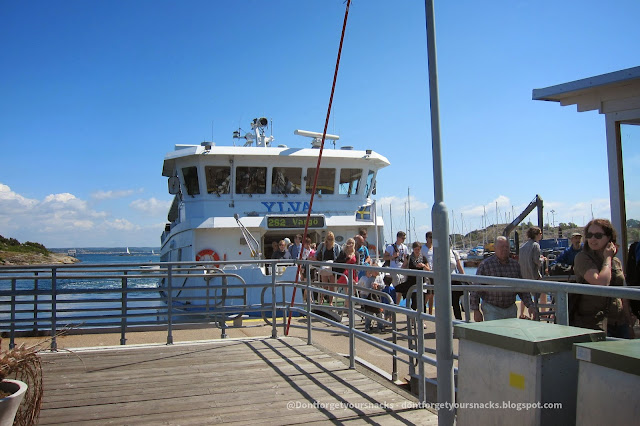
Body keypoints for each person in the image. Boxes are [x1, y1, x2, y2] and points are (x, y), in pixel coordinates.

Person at [571, 219, 631, 337]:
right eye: (589, 235)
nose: (593, 239)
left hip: (619, 322)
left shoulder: (616, 262)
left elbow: (623, 293)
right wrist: (608, 258)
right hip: (594, 323)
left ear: (609, 237)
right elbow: (601, 283)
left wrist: (628, 320)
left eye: (598, 235)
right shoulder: (582, 258)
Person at [471, 236, 536, 322]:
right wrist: (476, 310)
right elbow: (476, 289)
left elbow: (522, 288)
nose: (504, 249)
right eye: (501, 247)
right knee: (494, 334)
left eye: (507, 247)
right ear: (495, 248)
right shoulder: (485, 265)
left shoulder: (515, 265)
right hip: (492, 308)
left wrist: (530, 305)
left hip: (510, 308)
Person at [518, 227, 546, 318]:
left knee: (525, 295)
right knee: (543, 292)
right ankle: (542, 312)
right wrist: (543, 259)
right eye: (540, 233)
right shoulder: (535, 245)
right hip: (533, 275)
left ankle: (522, 313)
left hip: (523, 275)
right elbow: (537, 261)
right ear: (536, 234)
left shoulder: (522, 246)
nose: (541, 235)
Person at [396, 241, 430, 311]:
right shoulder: (409, 257)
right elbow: (403, 267)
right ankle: (412, 318)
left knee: (422, 302)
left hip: (421, 281)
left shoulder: (423, 258)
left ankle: (421, 319)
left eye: (418, 249)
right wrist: (405, 261)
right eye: (415, 249)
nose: (417, 251)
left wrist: (423, 266)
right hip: (411, 282)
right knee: (414, 301)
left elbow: (428, 270)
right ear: (413, 249)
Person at [315, 232, 341, 306]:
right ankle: (321, 300)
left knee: (332, 285)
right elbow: (316, 254)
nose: (329, 240)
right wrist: (318, 261)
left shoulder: (336, 246)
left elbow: (339, 256)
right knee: (324, 285)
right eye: (328, 238)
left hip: (332, 265)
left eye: (331, 239)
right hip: (324, 265)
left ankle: (330, 302)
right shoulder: (322, 245)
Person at [449, 244, 467, 320]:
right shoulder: (437, 253)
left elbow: (459, 267)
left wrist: (465, 278)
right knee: (454, 303)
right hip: (445, 282)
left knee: (463, 297)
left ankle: (466, 318)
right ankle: (458, 320)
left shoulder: (453, 252)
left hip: (455, 280)